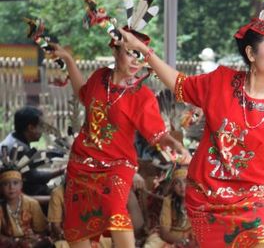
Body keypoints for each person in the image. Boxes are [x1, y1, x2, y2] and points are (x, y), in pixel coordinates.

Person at [122, 17, 264, 246]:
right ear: (251, 54)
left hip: (255, 199)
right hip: (207, 199)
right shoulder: (219, 82)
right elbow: (179, 84)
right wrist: (144, 50)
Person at [50, 31, 189, 248]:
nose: (136, 61)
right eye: (130, 53)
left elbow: (158, 135)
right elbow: (83, 94)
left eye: (140, 56)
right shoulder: (99, 77)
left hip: (117, 165)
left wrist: (173, 143)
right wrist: (68, 60)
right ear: (114, 49)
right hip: (82, 162)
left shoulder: (141, 96)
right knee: (76, 226)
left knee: (116, 212)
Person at [1, 106, 64, 196]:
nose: (42, 131)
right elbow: (34, 177)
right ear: (31, 128)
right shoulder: (19, 148)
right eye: (41, 126)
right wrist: (61, 171)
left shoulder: (12, 138)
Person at [0, 165, 51, 247]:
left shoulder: (32, 203)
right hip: (10, 243)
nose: (11, 187)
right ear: (1, 188)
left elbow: (41, 229)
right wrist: (15, 241)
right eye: (6, 184)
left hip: (31, 242)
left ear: (21, 185)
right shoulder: (1, 207)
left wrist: (33, 236)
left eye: (15, 183)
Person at [143, 167, 194, 248]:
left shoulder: (198, 201)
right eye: (177, 183)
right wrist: (183, 241)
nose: (182, 186)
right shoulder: (169, 201)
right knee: (152, 242)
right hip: (172, 237)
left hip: (194, 238)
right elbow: (164, 232)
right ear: (173, 187)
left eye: (185, 181)